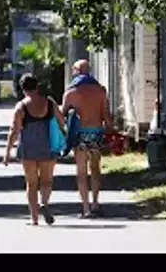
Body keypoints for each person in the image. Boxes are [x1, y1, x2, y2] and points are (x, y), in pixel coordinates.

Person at [3, 73, 66, 226]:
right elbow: (61, 121)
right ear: (37, 86)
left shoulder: (21, 107)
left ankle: (34, 218)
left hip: (28, 148)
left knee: (31, 184)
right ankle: (44, 202)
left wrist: (7, 152)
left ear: (23, 89)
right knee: (47, 180)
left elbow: (14, 130)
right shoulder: (49, 103)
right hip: (47, 147)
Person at [61, 59, 113, 218]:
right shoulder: (100, 91)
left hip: (80, 134)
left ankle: (85, 208)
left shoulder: (70, 93)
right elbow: (106, 115)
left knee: (81, 171)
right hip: (96, 132)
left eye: (74, 70)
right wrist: (111, 130)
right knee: (95, 169)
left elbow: (61, 115)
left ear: (77, 71)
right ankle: (96, 203)